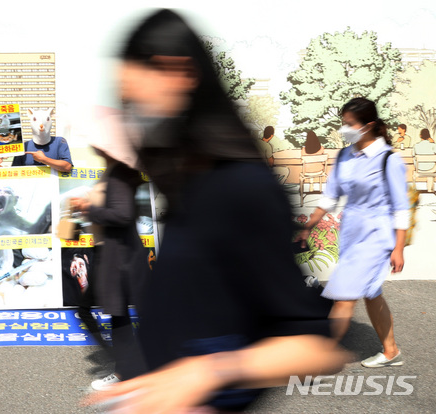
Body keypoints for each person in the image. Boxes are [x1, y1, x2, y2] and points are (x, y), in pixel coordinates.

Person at [86, 10, 346, 412]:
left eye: (137, 100)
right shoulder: (189, 185)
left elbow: (313, 348)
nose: (134, 118)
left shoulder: (241, 187)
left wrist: (207, 373)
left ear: (181, 73)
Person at [297, 97, 409, 370]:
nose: (344, 129)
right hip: (351, 232)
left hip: (376, 235)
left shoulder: (389, 160)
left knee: (344, 295)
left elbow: (401, 208)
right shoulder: (344, 156)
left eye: (349, 124)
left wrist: (398, 248)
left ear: (368, 125)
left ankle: (319, 356)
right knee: (371, 292)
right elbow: (330, 196)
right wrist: (309, 225)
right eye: (343, 123)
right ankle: (391, 350)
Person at [71, 151, 149, 391]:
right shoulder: (112, 172)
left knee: (117, 314)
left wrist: (89, 208)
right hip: (110, 253)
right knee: (118, 314)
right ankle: (126, 366)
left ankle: (124, 369)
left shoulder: (118, 174)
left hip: (117, 255)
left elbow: (123, 214)